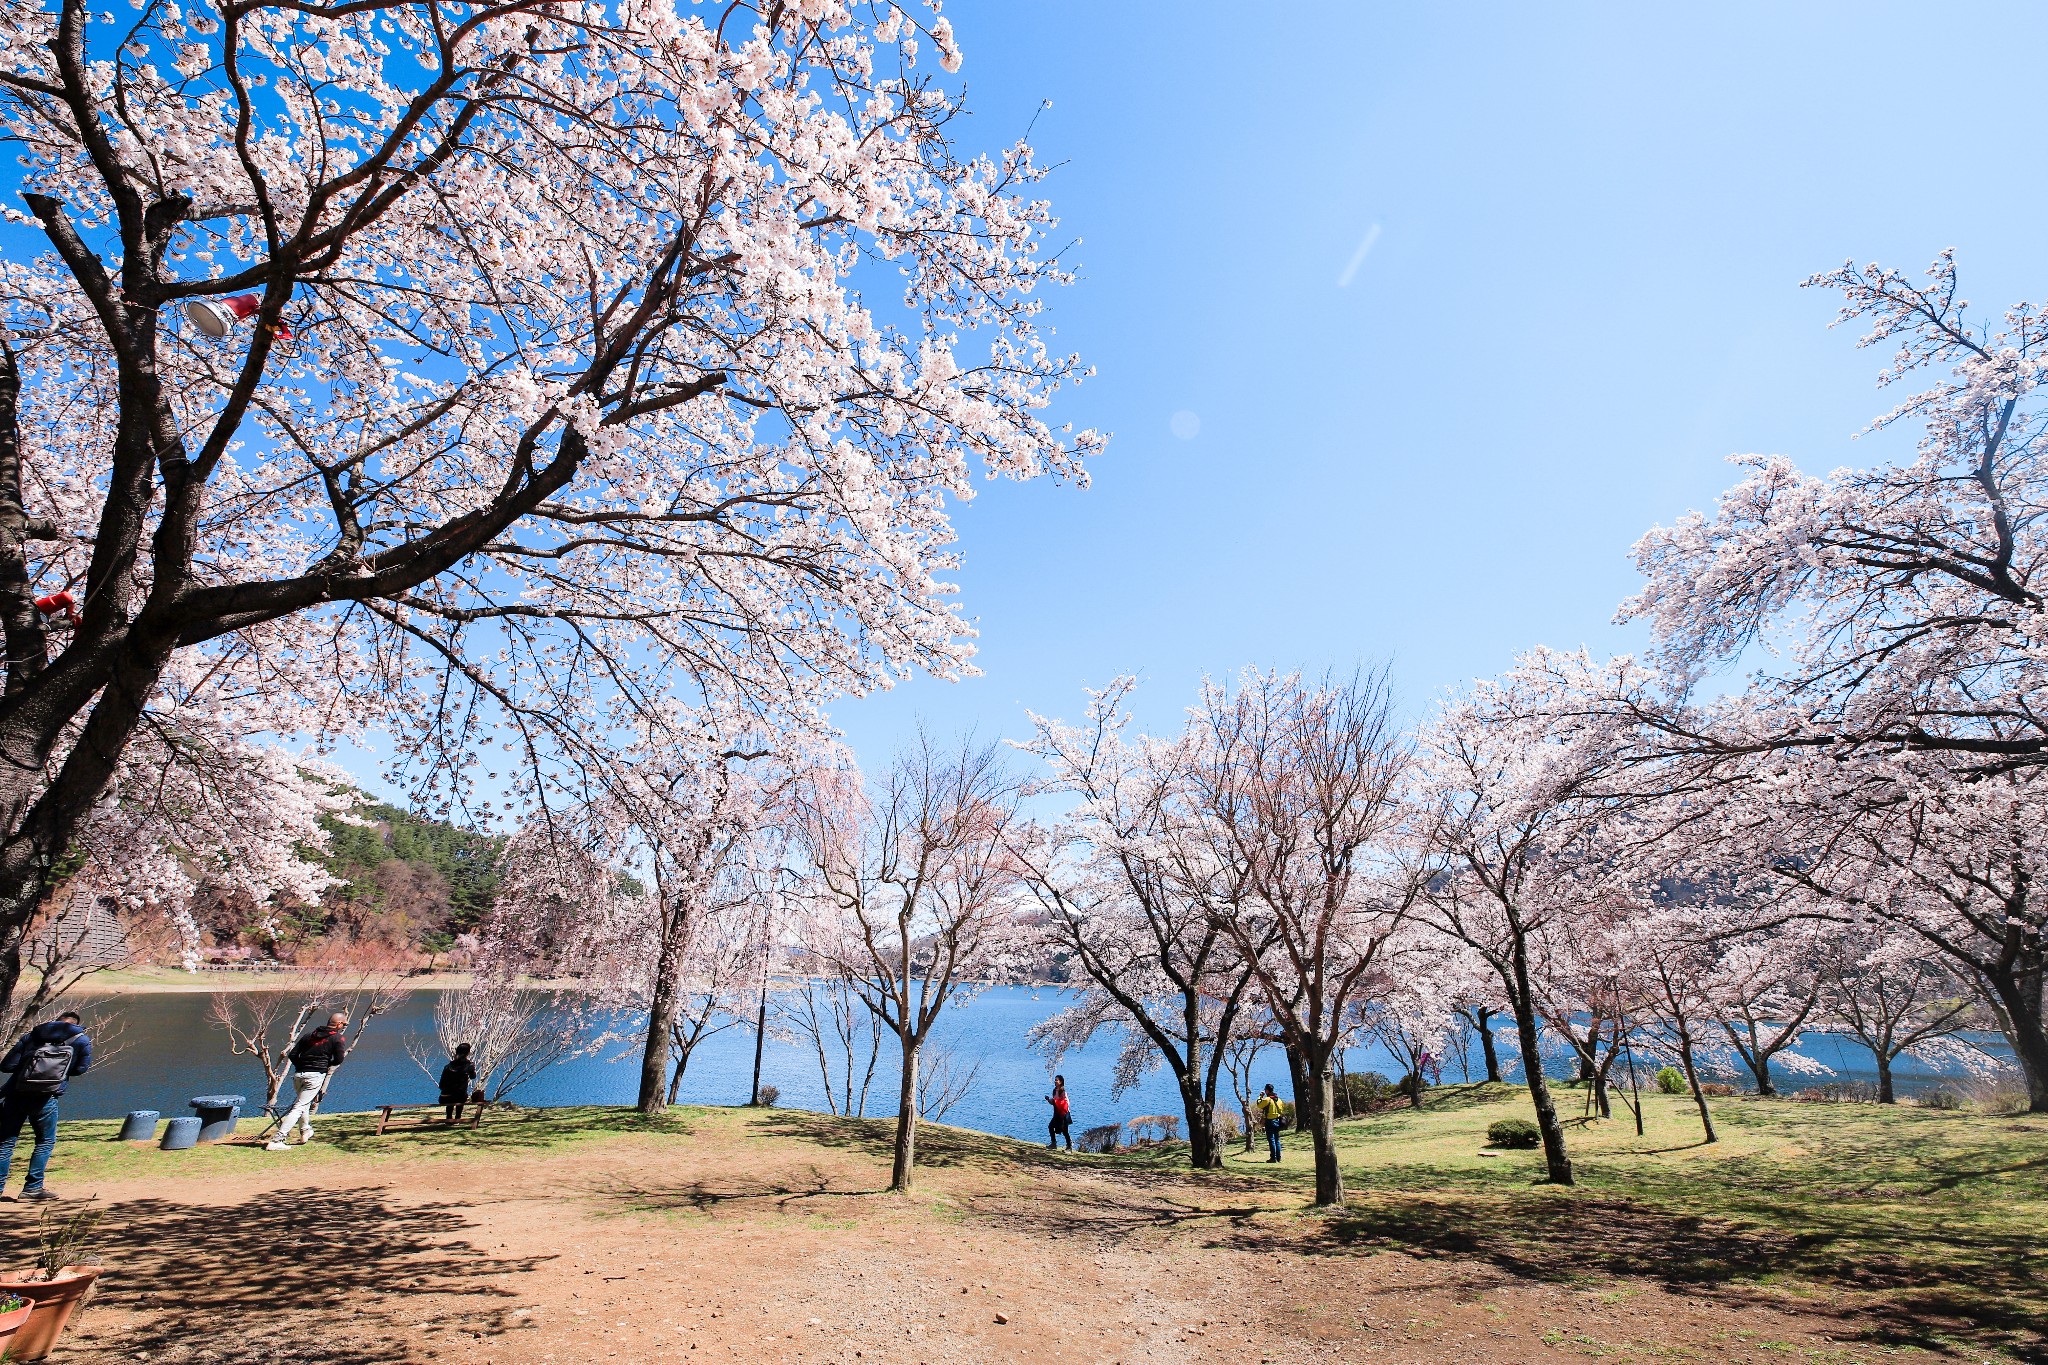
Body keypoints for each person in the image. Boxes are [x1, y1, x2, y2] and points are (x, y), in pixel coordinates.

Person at [0, 1010, 91, 1201]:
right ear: (75, 1024)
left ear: (55, 1021)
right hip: (46, 1097)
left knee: (6, 1142)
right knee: (44, 1141)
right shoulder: (81, 1040)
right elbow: (81, 1069)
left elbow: (7, 1066)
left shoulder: (32, 1036)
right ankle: (32, 1189)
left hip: (16, 1094)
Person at [267, 1012, 348, 1151]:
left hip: (299, 1075)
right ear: (338, 1024)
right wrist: (326, 1065)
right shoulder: (337, 1038)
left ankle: (305, 1131)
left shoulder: (309, 1035)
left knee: (303, 1104)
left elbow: (292, 1054)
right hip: (315, 1077)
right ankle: (278, 1139)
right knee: (299, 1107)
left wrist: (301, 1066)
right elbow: (339, 1059)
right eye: (344, 1024)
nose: (343, 1027)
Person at [439, 1044, 478, 1124]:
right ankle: (457, 1118)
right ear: (467, 1053)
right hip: (460, 1097)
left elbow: (441, 1085)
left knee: (452, 1096)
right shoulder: (468, 1065)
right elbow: (473, 1077)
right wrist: (472, 1068)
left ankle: (449, 1117)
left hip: (444, 1098)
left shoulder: (448, 1066)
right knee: (460, 1095)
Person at [1254, 1083, 1286, 1163]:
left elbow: (1259, 1105)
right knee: (1277, 1139)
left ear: (1267, 1090)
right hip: (1277, 1121)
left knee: (1271, 1139)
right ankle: (1278, 1158)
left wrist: (1260, 1096)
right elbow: (1281, 1110)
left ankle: (1273, 1158)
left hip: (1270, 1121)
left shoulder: (1267, 1099)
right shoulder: (1279, 1099)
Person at [1045, 1074, 1073, 1151]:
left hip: (1063, 1114)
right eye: (1055, 1079)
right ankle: (1053, 1143)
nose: (1055, 1081)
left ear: (1061, 1082)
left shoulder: (1063, 1092)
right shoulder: (1054, 1091)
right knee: (1051, 1126)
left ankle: (1069, 1146)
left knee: (1065, 1131)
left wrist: (1057, 1102)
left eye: (1057, 1080)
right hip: (1057, 1113)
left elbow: (1066, 1103)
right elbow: (1053, 1102)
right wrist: (1048, 1100)